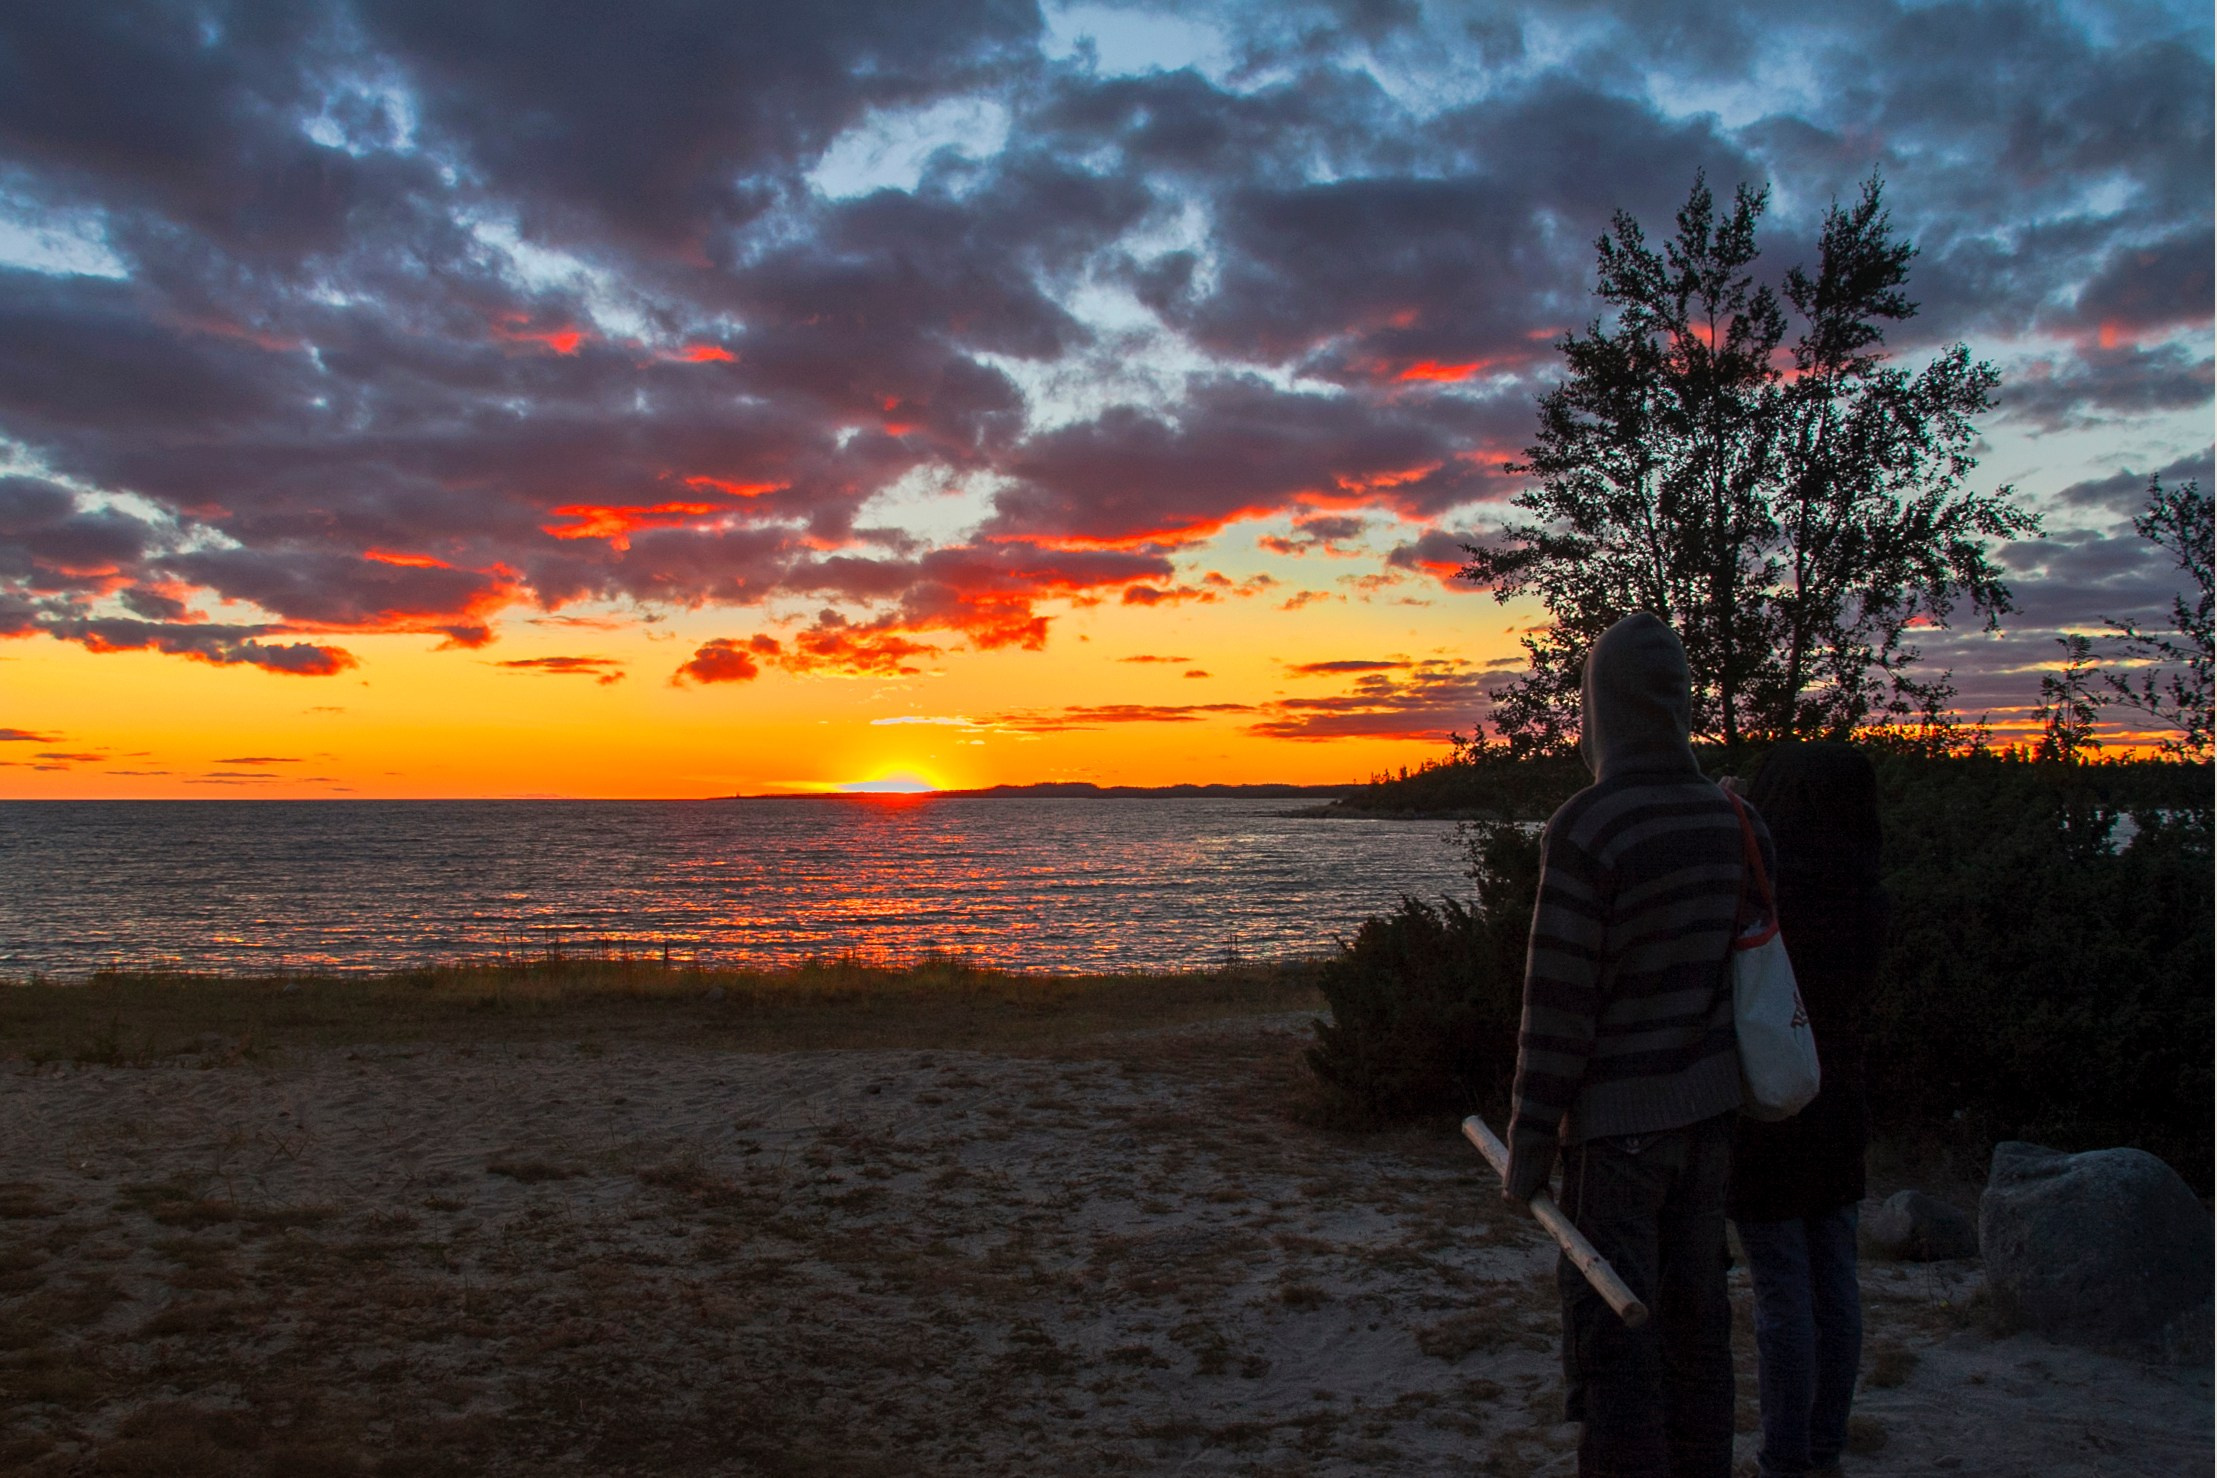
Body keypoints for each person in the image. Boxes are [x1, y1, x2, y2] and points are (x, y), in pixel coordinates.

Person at [1504, 611, 1769, 1478]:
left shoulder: (1589, 826)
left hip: (1617, 1134)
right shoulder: (1735, 820)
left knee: (1614, 1334)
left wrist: (1529, 1140)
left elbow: (1558, 1002)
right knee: (1697, 1324)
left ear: (1601, 709)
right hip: (1711, 1118)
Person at [1729, 743, 1883, 1478]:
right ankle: (1823, 1446)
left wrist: (1729, 807)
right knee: (1834, 1280)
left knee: (1782, 1290)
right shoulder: (1865, 890)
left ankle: (1785, 1457)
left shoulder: (1768, 889)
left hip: (1770, 1101)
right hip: (1840, 1097)